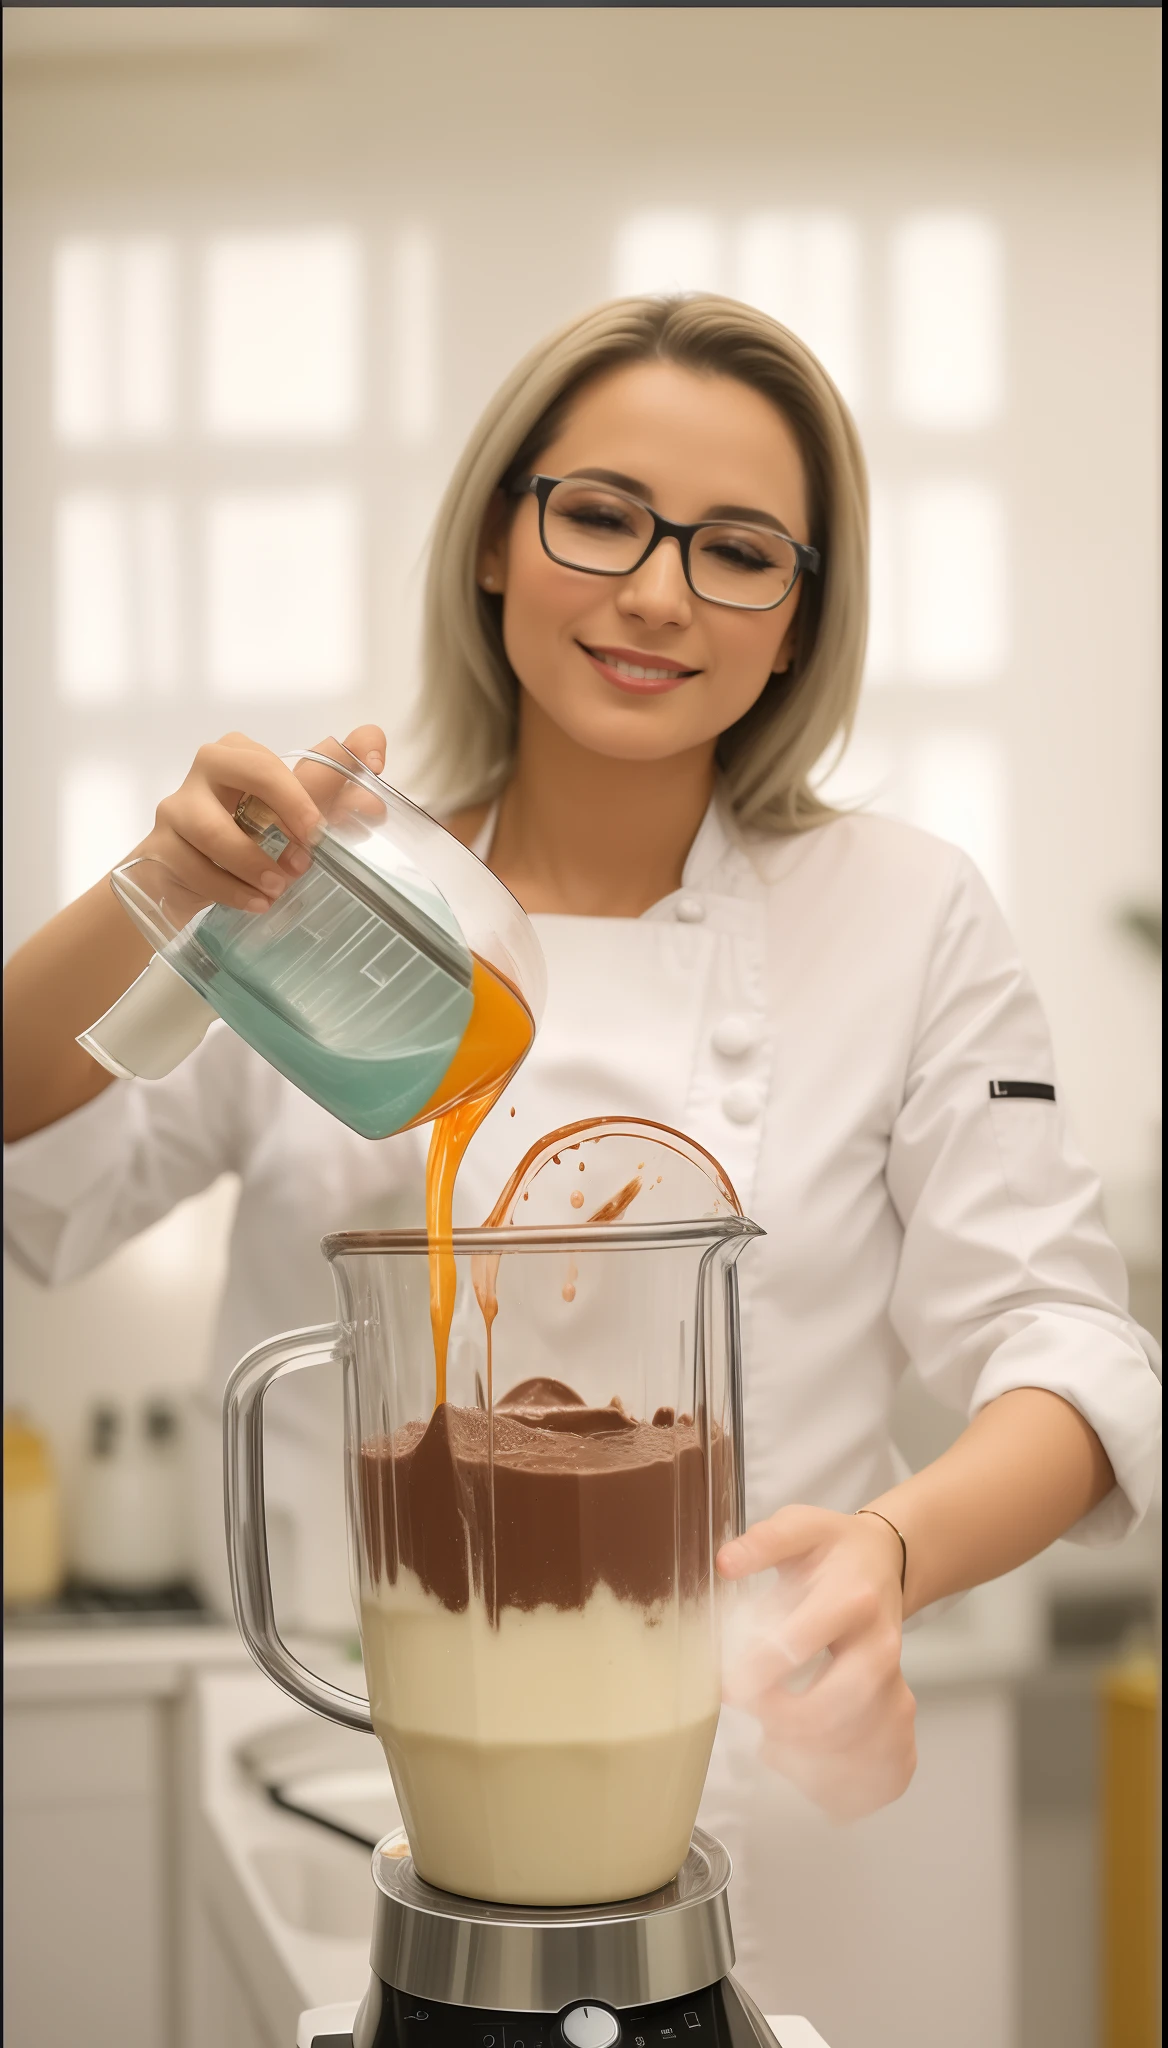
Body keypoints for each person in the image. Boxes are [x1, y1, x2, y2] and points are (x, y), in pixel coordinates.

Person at [4, 296, 1159, 2008]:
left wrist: (890, 1556)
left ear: (797, 621)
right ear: (495, 534)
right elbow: (31, 1142)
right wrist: (160, 895)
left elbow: (1068, 1346)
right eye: (603, 515)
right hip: (343, 1783)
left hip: (755, 1789)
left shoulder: (903, 916)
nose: (659, 592)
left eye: (741, 552)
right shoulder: (325, 900)